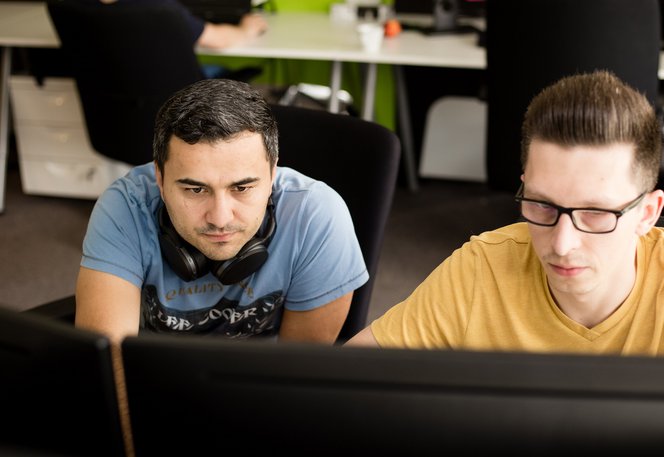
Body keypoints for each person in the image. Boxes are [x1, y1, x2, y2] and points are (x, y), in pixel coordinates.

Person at [347, 70, 664, 354]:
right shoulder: (481, 268)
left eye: (595, 212)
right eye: (542, 205)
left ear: (647, 213)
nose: (561, 244)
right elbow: (344, 380)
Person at [75, 78, 368, 344]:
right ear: (160, 181)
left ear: (272, 174)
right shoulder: (125, 207)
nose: (220, 218)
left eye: (241, 188)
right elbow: (109, 369)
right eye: (195, 189)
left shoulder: (317, 215)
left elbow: (297, 376)